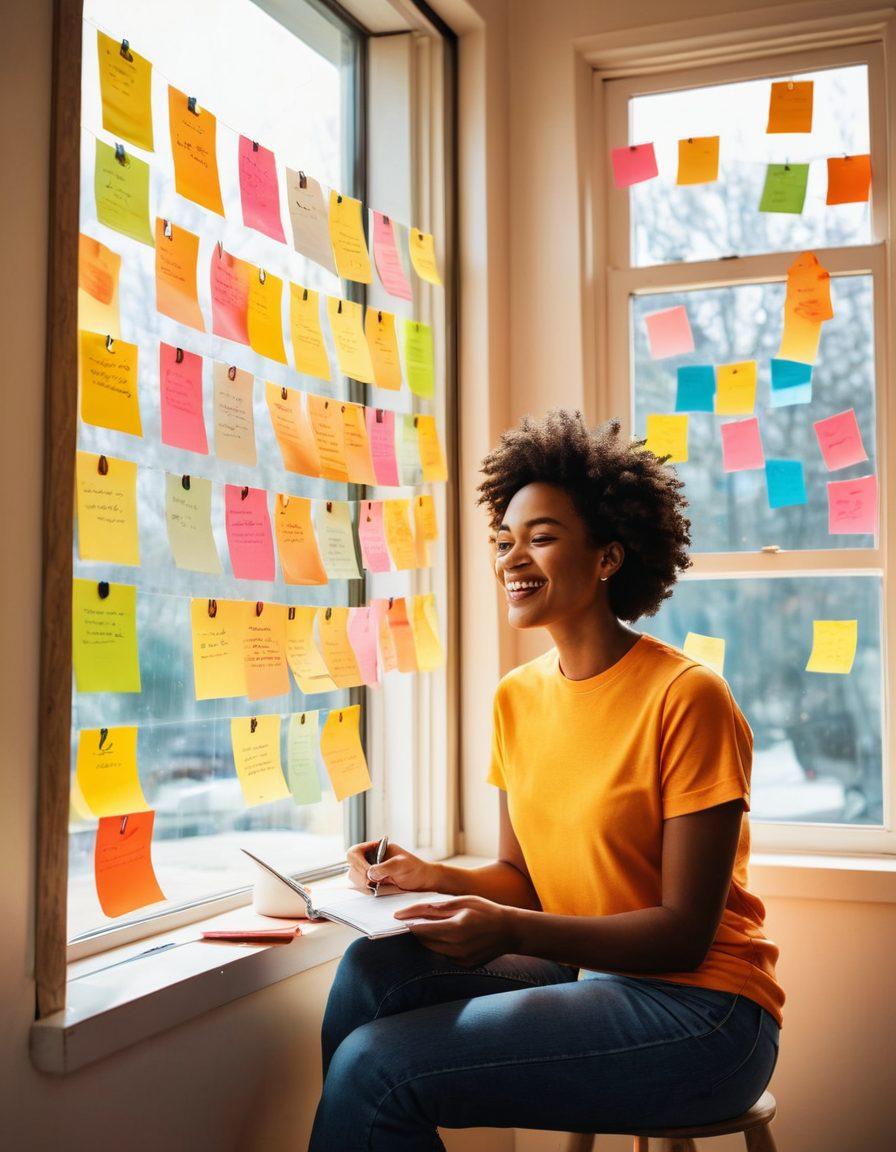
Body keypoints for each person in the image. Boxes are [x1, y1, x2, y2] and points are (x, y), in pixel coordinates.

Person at [308, 410, 783, 1151]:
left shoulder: (688, 696)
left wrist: (510, 929)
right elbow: (523, 879)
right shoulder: (516, 698)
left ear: (608, 558)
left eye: (542, 537)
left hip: (706, 1014)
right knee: (371, 970)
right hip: (596, 982)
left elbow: (684, 935)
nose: (511, 559)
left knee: (377, 1069)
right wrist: (429, 874)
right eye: (505, 540)